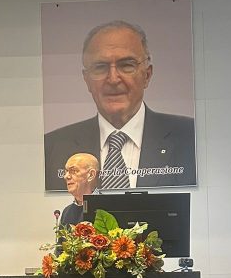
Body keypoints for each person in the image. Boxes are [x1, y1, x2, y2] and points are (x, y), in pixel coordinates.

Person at [43, 20, 196, 191]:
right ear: (87, 80)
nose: (113, 79)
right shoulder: (51, 148)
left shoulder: (192, 138)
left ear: (147, 75)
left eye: (126, 65)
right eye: (100, 67)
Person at [58, 152, 99, 226]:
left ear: (91, 175)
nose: (66, 176)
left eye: (73, 171)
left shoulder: (108, 207)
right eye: (66, 171)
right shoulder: (67, 212)